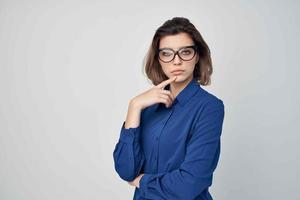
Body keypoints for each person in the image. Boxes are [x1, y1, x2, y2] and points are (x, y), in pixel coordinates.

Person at [113, 17, 225, 200]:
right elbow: (126, 170)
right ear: (159, 59)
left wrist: (143, 181)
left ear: (197, 56)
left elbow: (190, 183)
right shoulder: (146, 106)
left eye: (185, 52)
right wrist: (134, 107)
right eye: (167, 53)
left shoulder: (209, 108)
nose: (177, 61)